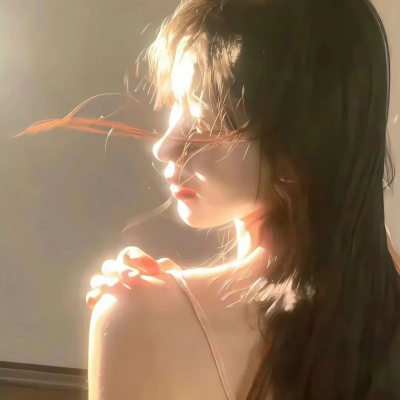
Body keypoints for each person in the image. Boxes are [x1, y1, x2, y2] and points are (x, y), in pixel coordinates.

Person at [23, 0, 400, 398]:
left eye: (204, 121)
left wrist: (157, 310)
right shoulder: (378, 305)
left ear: (301, 147)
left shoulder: (135, 317)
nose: (165, 147)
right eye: (175, 106)